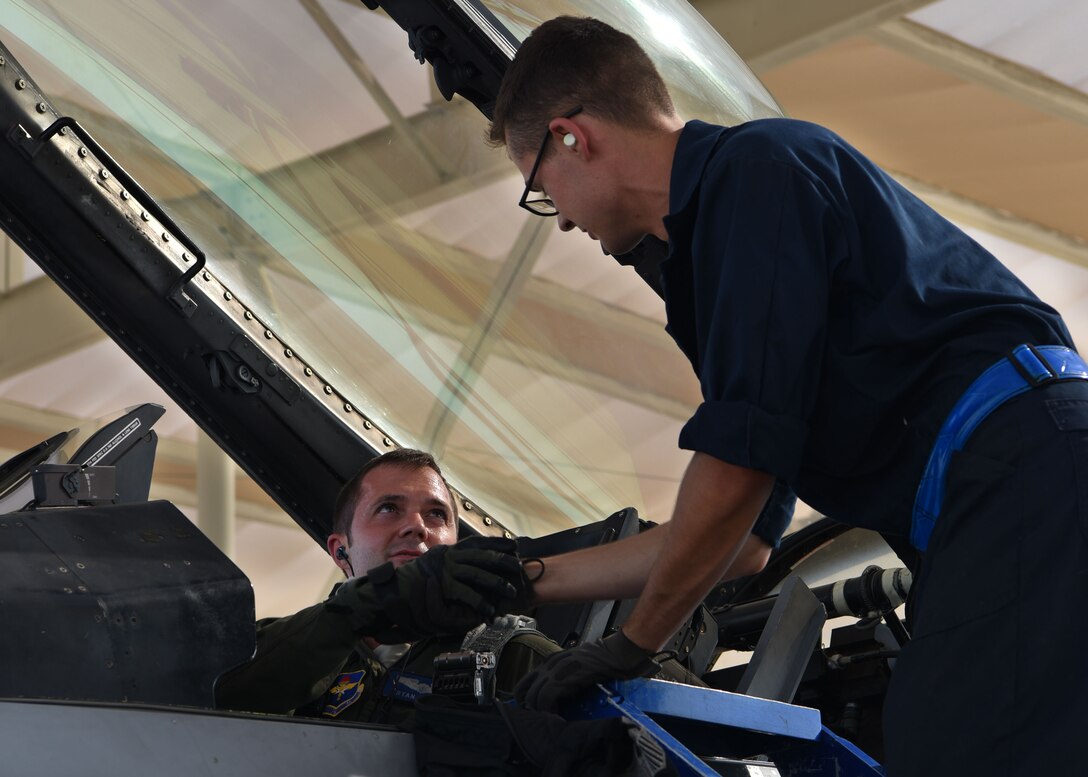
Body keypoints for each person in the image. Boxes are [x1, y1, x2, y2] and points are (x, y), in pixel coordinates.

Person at [489, 16, 1088, 776]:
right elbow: (743, 540)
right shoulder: (709, 261)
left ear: (573, 136)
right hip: (1006, 492)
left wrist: (632, 642)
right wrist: (526, 579)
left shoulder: (757, 174)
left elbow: (734, 472)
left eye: (541, 189)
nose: (563, 219)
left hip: (1023, 471)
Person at [214, 448, 551, 724]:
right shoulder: (279, 645)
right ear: (340, 549)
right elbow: (218, 701)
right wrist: (360, 608)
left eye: (436, 515)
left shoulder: (516, 656)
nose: (417, 527)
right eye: (389, 508)